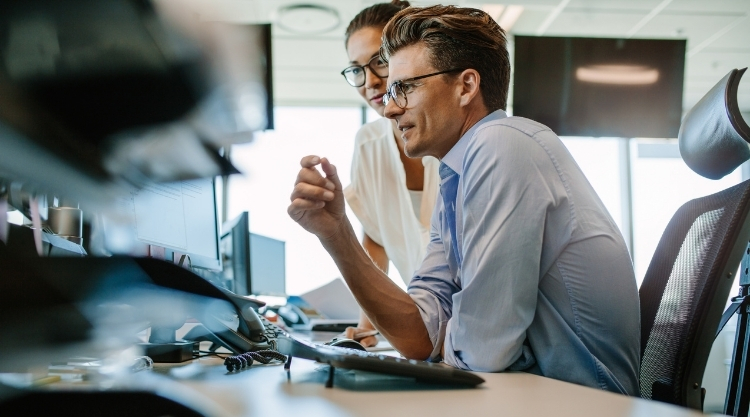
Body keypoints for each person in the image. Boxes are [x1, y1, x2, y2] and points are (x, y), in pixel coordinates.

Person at [288, 5, 640, 395]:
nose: (388, 108)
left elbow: (482, 352)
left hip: (584, 401)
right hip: (531, 393)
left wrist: (444, 339)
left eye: (404, 87)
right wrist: (336, 234)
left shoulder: (503, 145)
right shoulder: (454, 180)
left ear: (466, 86)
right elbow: (420, 336)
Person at [340, 1, 440, 347]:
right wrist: (367, 326)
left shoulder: (455, 134)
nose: (370, 81)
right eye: (356, 70)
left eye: (380, 61)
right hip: (426, 331)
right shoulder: (368, 145)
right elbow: (376, 238)